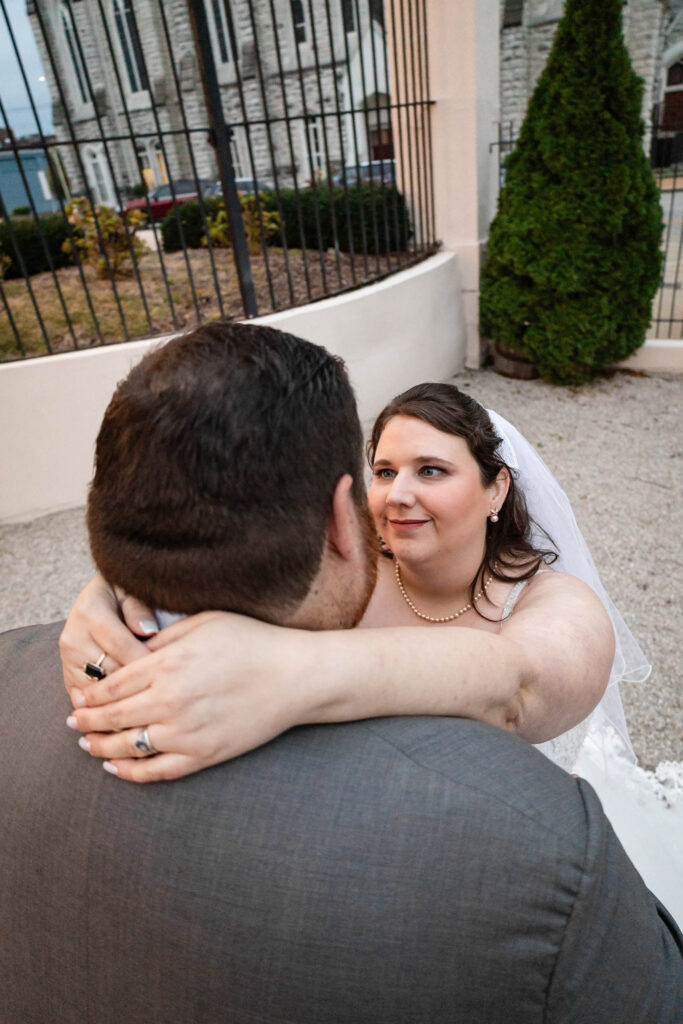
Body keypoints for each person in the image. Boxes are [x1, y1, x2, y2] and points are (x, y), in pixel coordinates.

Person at [3, 321, 682, 1022]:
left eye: (432, 471)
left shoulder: (557, 602)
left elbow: (517, 680)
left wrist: (293, 669)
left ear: (495, 488)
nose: (397, 495)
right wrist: (115, 592)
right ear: (346, 509)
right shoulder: (351, 563)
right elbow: (226, 545)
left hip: (453, 860)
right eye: (382, 471)